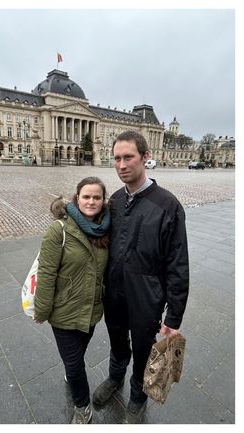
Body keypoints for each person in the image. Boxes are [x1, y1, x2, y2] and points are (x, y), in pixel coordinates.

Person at [92, 130, 189, 424]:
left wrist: (174, 317)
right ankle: (114, 377)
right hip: (115, 292)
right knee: (117, 340)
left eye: (128, 157)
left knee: (144, 348)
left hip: (147, 296)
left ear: (145, 157)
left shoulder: (168, 205)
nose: (121, 165)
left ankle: (137, 395)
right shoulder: (116, 201)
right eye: (116, 158)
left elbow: (178, 263)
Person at [34, 177, 111, 424]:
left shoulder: (107, 228)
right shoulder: (59, 229)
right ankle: (82, 407)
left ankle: (71, 372)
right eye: (86, 197)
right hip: (64, 310)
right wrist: (42, 309)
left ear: (103, 201)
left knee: (78, 353)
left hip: (91, 309)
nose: (91, 201)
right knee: (76, 364)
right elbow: (46, 272)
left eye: (96, 197)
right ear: (77, 199)